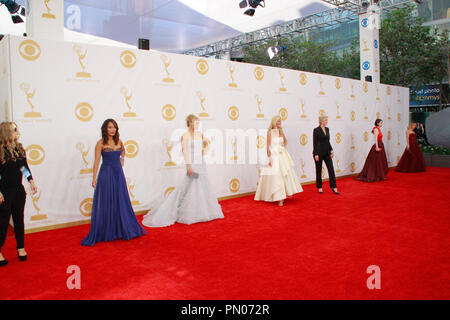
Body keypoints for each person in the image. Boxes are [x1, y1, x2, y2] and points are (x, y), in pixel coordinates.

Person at [142, 114, 224, 227]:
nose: (197, 125)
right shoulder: (185, 136)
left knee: (202, 186)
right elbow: (184, 151)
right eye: (195, 122)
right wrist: (188, 166)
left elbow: (207, 142)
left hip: (201, 164)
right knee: (191, 185)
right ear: (189, 123)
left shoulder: (200, 134)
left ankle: (203, 211)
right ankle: (187, 212)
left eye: (198, 123)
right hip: (192, 164)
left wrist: (205, 149)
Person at [81, 119, 146, 246]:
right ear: (105, 129)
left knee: (120, 200)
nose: (112, 130)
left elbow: (123, 151)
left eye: (114, 127)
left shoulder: (119, 141)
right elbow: (96, 162)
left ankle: (120, 229)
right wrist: (94, 178)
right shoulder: (100, 143)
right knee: (107, 202)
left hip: (118, 175)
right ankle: (107, 230)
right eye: (110, 127)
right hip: (106, 174)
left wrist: (122, 159)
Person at [0, 122, 38, 266]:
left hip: (18, 190)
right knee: (3, 222)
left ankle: (20, 247)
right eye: (14, 129)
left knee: (19, 220)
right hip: (4, 191)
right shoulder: (0, 151)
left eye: (16, 129)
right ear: (6, 132)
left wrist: (31, 180)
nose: (17, 131)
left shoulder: (19, 149)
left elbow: (23, 167)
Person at [255, 115, 303, 206]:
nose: (279, 123)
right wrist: (269, 158)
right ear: (274, 122)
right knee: (276, 176)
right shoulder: (270, 132)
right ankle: (278, 197)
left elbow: (285, 141)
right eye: (278, 121)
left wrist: (282, 148)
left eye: (280, 121)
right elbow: (267, 147)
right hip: (274, 156)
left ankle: (282, 196)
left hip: (282, 156)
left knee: (284, 175)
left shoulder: (281, 132)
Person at [313, 115, 339, 194]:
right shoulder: (316, 130)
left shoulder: (327, 129)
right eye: (325, 120)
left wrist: (331, 150)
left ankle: (334, 187)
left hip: (327, 152)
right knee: (319, 170)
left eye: (327, 120)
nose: (326, 122)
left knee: (331, 169)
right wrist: (316, 154)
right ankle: (319, 187)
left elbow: (328, 141)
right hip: (319, 153)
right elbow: (315, 142)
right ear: (321, 121)